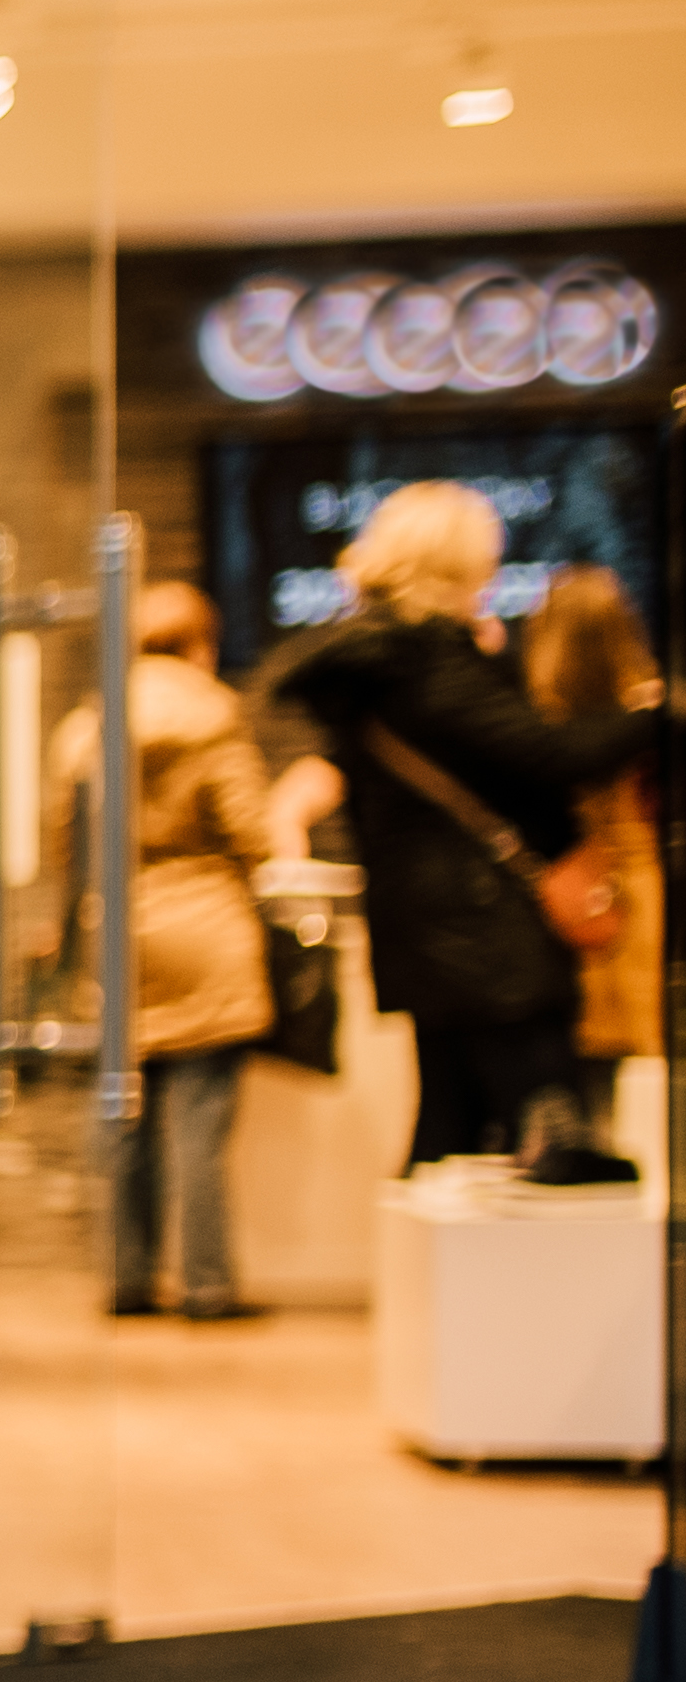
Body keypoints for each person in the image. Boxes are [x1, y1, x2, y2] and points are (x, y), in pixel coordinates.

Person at [274, 481, 653, 1179]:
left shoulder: (381, 665)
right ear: (456, 564)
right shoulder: (425, 662)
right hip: (485, 934)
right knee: (543, 1137)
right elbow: (548, 755)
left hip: (436, 929)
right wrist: (657, 714)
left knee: (449, 1132)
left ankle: (431, 1291)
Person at [50, 579, 281, 1318]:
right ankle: (208, 1284)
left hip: (118, 936)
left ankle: (124, 1278)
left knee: (120, 1116)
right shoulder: (215, 718)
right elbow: (253, 833)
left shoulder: (87, 726)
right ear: (200, 643)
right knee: (199, 1125)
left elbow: (65, 845)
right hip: (204, 928)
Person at [526, 562, 665, 1089]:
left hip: (563, 890)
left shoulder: (531, 723)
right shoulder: (653, 714)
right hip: (639, 888)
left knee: (574, 1067)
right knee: (645, 1063)